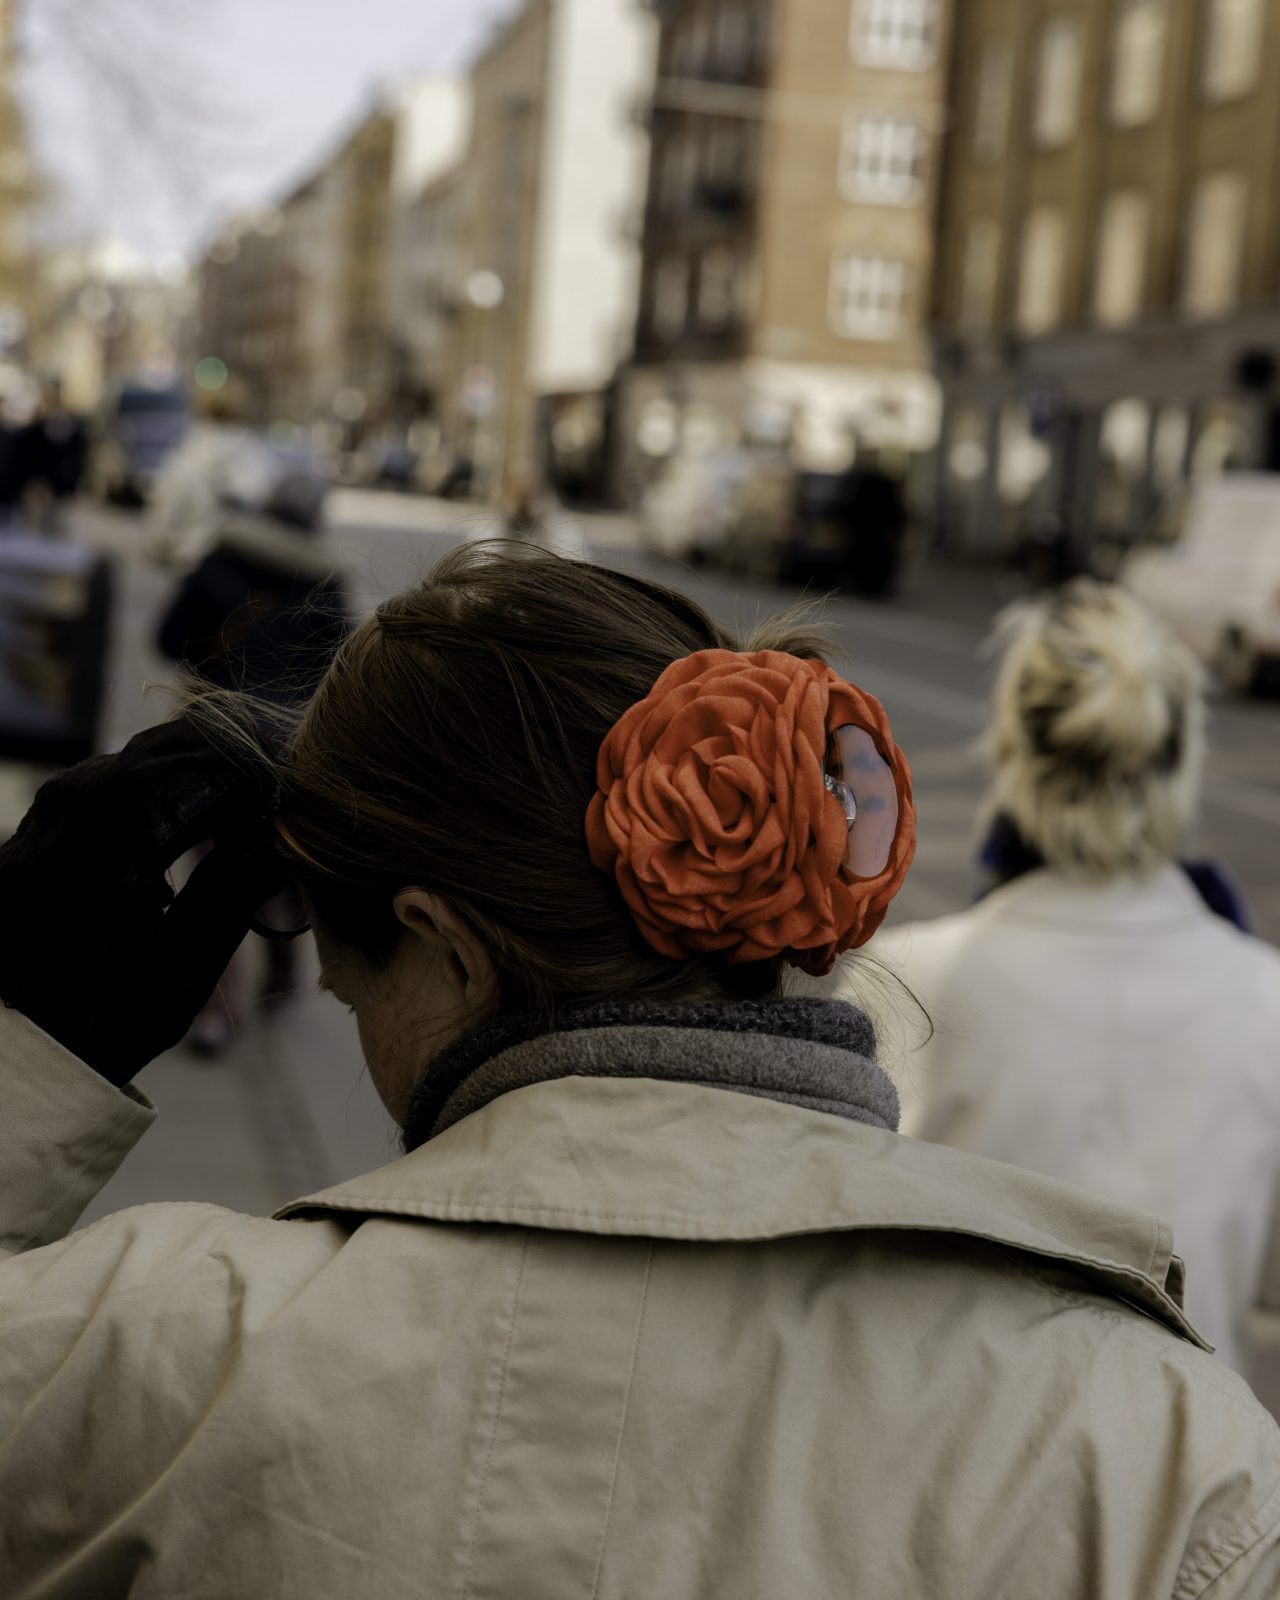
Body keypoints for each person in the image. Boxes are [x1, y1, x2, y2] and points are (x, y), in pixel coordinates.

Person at [0, 547, 1279, 1599]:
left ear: (444, 943)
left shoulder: (154, 1359)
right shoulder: (1167, 1459)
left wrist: (27, 1049)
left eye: (350, 988)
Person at [874, 579, 1280, 1387]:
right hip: (1197, 1488)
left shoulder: (898, 983)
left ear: (1004, 752)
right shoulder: (1267, 1002)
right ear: (1181, 759)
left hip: (964, 1475)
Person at [156, 465, 348, 1049]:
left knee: (210, 873)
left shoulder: (217, 563)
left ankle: (212, 1011)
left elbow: (165, 639)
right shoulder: (325, 582)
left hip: (212, 736)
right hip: (292, 747)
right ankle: (286, 960)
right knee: (280, 856)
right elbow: (344, 670)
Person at [145, 379, 276, 568]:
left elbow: (162, 523)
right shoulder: (258, 458)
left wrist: (160, 546)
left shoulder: (187, 457)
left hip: (194, 567)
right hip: (246, 571)